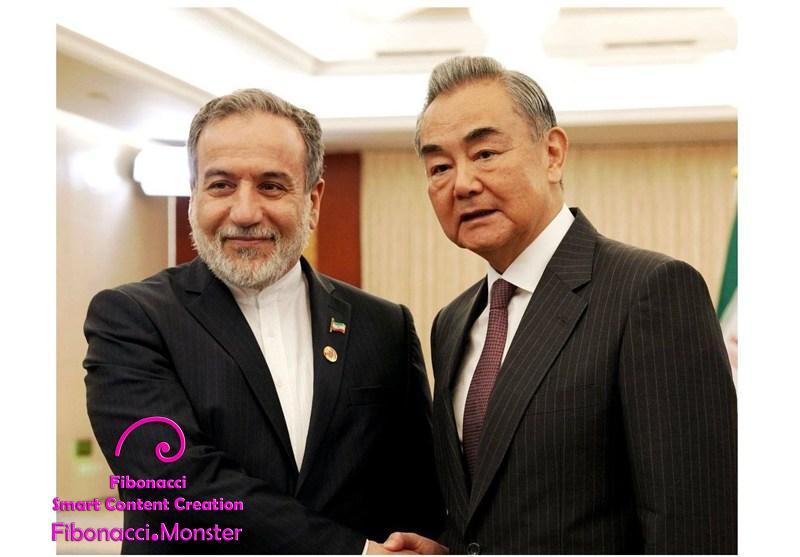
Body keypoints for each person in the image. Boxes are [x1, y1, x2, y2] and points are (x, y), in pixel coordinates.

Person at [384, 56, 737, 554]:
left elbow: (695, 525)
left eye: (485, 153)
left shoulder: (650, 291)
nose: (462, 183)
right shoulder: (452, 323)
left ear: (552, 154)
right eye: (440, 167)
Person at [84, 89, 443, 554]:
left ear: (313, 201)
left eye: (271, 186)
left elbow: (419, 488)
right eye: (221, 185)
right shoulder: (132, 319)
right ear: (193, 197)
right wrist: (353, 552)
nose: (245, 212)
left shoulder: (384, 326)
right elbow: (173, 482)